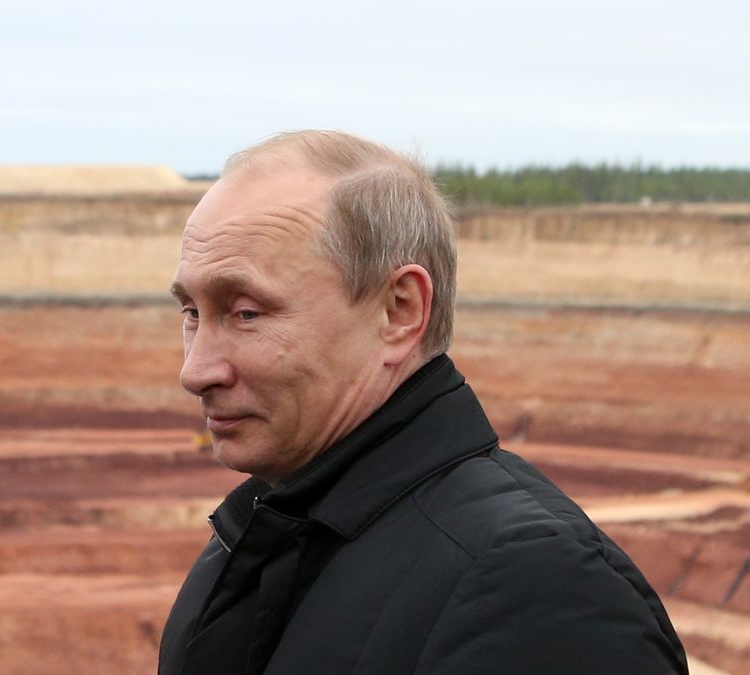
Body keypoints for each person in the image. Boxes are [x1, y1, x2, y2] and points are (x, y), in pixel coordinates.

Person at [158, 130, 687, 674]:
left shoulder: (536, 585)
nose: (195, 370)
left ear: (399, 311)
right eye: (192, 313)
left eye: (246, 313)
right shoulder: (252, 542)